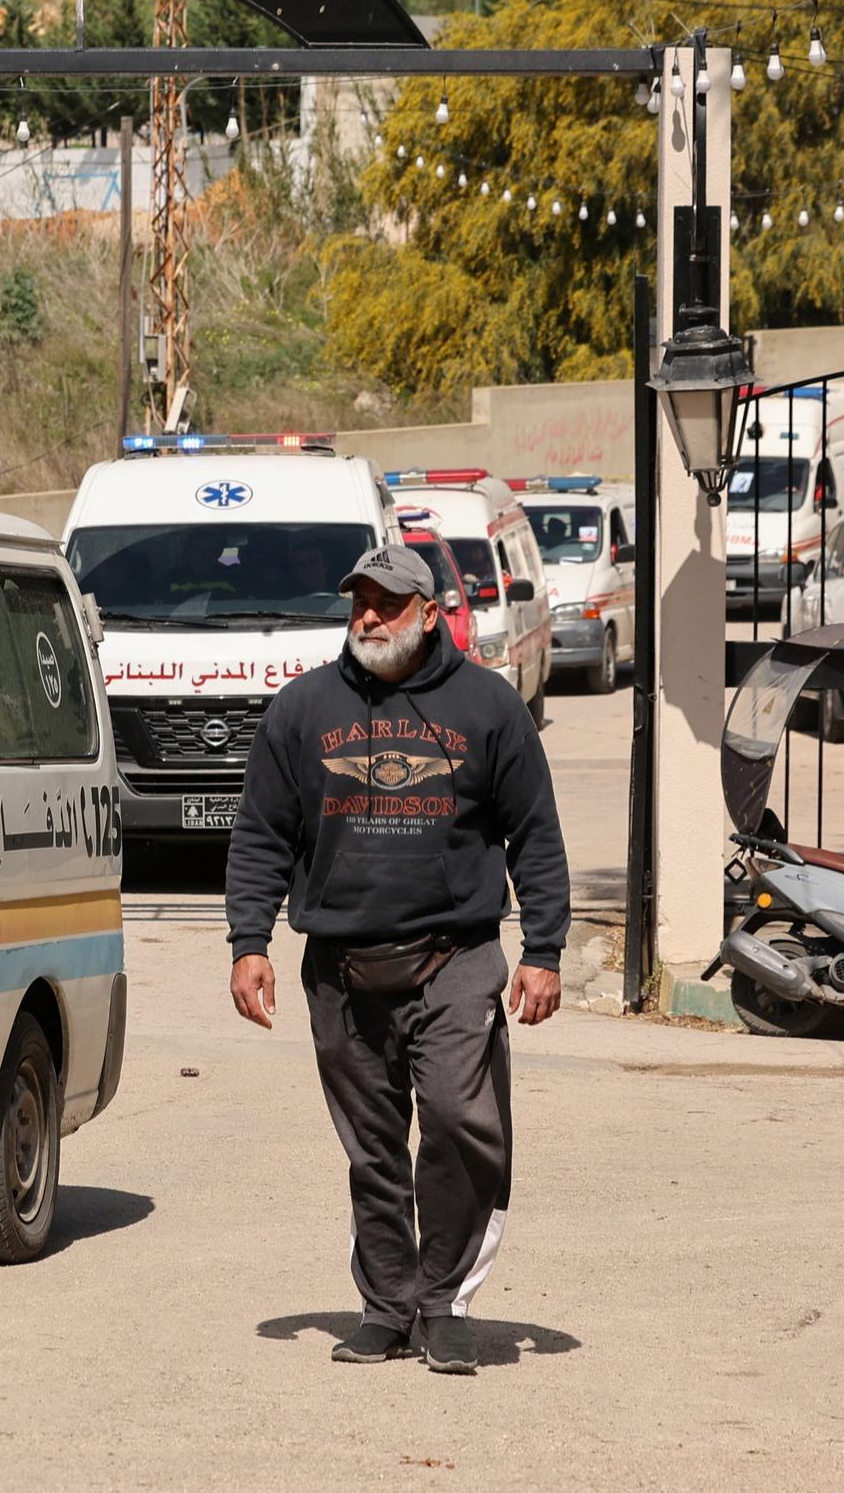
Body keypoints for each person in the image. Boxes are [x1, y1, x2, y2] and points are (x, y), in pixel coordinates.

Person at [224, 543, 570, 1376]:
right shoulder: (302, 709)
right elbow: (262, 832)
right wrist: (249, 942)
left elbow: (537, 833)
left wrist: (544, 948)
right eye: (359, 603)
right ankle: (387, 1303)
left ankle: (445, 1301)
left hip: (455, 956)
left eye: (386, 603)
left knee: (458, 1120)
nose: (368, 617)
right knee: (373, 1148)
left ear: (428, 612)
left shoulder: (488, 707)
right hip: (341, 968)